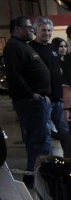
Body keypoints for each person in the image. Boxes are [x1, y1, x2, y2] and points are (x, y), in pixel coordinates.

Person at [5, 16, 52, 181]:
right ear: (17, 29)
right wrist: (32, 94)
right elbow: (14, 75)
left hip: (37, 101)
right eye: (28, 27)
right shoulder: (13, 47)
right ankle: (36, 178)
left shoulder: (23, 46)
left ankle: (41, 175)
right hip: (30, 102)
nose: (31, 29)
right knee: (38, 140)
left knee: (41, 138)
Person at [30, 17, 71, 158]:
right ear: (36, 31)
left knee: (66, 132)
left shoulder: (52, 48)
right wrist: (35, 93)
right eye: (44, 30)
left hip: (58, 100)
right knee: (44, 135)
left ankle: (70, 162)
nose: (47, 33)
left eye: (49, 30)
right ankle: (49, 166)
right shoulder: (30, 48)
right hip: (44, 100)